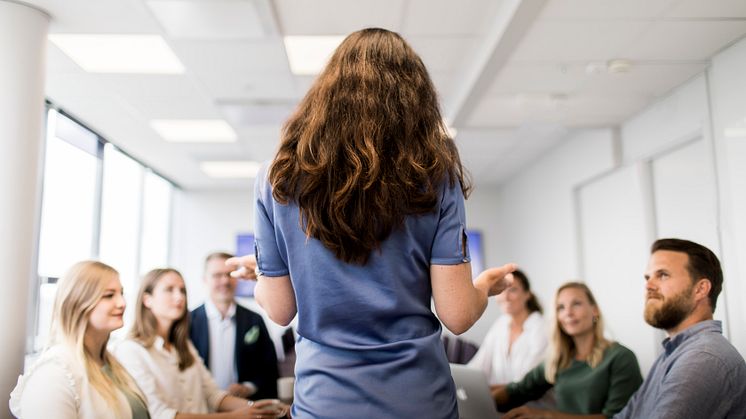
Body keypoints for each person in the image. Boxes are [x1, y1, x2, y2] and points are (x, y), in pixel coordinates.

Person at [230, 27, 516, 419]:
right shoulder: (434, 176)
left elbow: (279, 309)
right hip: (418, 401)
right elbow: (458, 314)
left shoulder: (276, 177)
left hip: (325, 402)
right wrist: (484, 286)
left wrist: (264, 275)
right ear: (414, 99)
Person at [114, 268, 287, 419]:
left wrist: (260, 409)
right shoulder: (130, 351)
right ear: (147, 300)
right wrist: (233, 417)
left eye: (182, 290)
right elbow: (160, 415)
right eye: (169, 290)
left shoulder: (183, 347)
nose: (179, 297)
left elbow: (213, 395)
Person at [614, 238, 746, 419]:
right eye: (648, 277)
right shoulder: (672, 354)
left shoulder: (703, 357)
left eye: (663, 275)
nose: (648, 285)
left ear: (700, 289)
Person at [9, 261, 149, 419]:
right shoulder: (53, 373)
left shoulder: (109, 364)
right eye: (109, 295)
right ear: (78, 302)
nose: (122, 303)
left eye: (121, 293)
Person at [493, 282, 643, 419]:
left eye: (576, 304)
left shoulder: (621, 358)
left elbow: (618, 418)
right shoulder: (560, 360)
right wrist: (480, 397)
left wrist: (546, 416)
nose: (568, 313)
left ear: (595, 310)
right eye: (561, 308)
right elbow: (518, 390)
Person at [190, 252, 279, 400]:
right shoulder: (188, 322)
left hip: (243, 406)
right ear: (205, 280)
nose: (225, 281)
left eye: (229, 274)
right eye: (217, 275)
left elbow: (270, 368)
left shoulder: (255, 320)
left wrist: (249, 387)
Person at [468, 269, 547, 385]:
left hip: (531, 402)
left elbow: (530, 380)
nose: (505, 297)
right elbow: (478, 365)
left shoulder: (541, 327)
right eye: (501, 291)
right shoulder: (500, 325)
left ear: (527, 294)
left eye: (513, 290)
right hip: (498, 399)